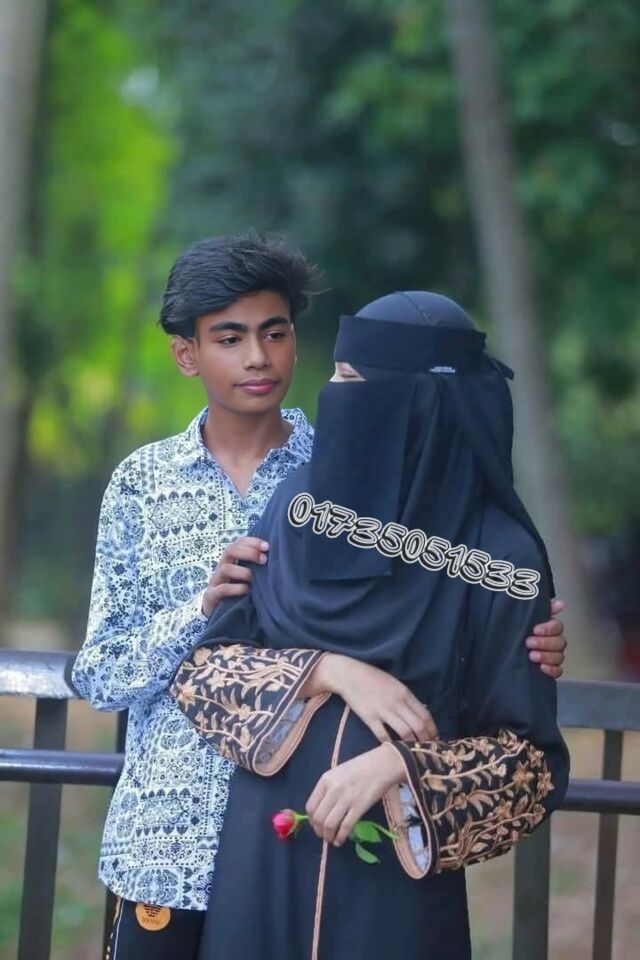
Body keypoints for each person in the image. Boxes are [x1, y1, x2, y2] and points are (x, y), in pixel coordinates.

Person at [72, 241, 565, 960]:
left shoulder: (367, 484)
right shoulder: (175, 490)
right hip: (175, 848)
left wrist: (417, 756)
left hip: (360, 877)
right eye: (230, 339)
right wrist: (297, 656)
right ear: (187, 354)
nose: (258, 358)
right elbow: (129, 671)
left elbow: (520, 745)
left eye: (275, 333)